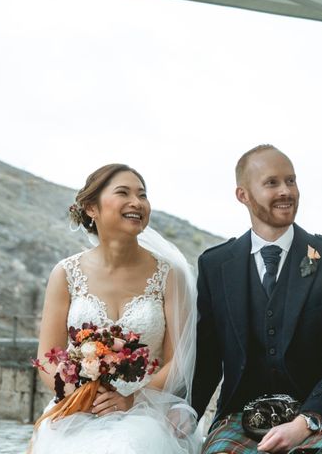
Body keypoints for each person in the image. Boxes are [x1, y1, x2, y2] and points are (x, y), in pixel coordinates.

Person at [192, 145, 322, 454]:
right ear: (243, 195)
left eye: (291, 181)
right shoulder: (215, 266)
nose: (286, 191)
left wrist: (304, 423)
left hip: (317, 418)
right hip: (239, 418)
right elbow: (207, 359)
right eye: (272, 183)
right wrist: (182, 415)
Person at [30, 164, 200, 454]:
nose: (137, 202)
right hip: (79, 408)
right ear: (91, 208)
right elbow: (48, 358)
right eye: (123, 192)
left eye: (142, 195)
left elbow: (178, 359)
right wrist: (76, 395)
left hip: (147, 408)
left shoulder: (170, 275)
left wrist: (133, 399)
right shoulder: (65, 273)